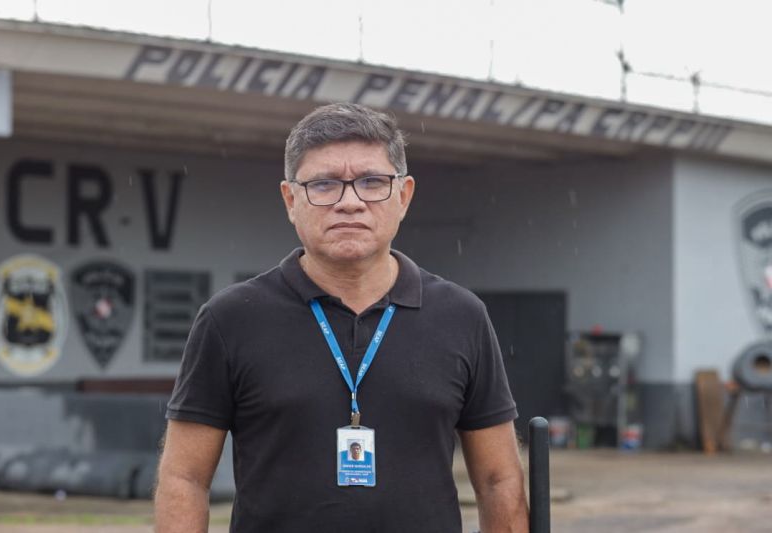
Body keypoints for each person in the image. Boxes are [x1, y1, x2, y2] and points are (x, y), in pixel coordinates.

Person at [154, 102, 529, 532]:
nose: (350, 202)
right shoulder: (229, 320)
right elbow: (184, 477)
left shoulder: (462, 317)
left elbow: (499, 480)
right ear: (290, 199)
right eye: (325, 184)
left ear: (403, 196)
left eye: (372, 182)